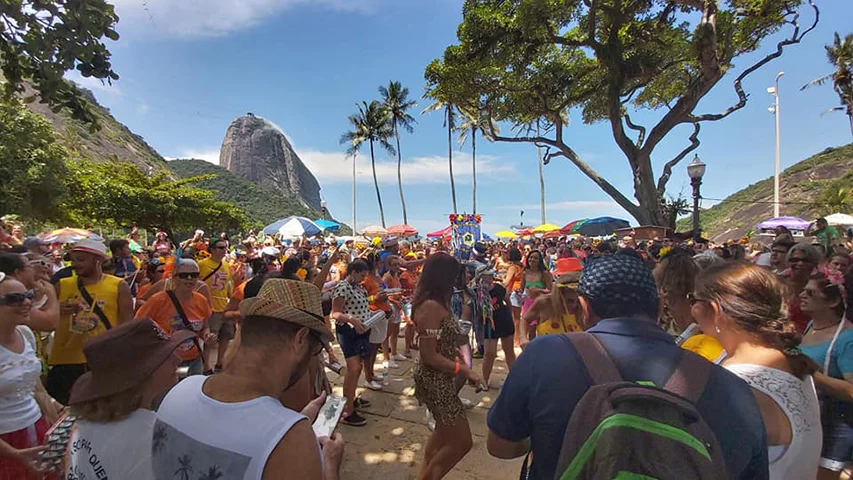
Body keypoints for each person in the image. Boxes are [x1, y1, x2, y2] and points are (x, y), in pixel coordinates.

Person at [486, 253, 769, 480]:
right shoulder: (733, 389)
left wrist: (545, 439)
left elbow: (501, 446)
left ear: (584, 309)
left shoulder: (544, 354)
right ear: (659, 308)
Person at [152, 278, 345, 480]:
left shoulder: (179, 392)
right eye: (315, 349)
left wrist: (294, 422)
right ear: (300, 339)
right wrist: (330, 467)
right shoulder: (291, 439)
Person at [692, 262, 822, 479]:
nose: (691, 308)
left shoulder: (733, 387)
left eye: (693, 300)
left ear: (715, 310)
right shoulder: (790, 362)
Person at [64, 319, 193, 478]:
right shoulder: (151, 439)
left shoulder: (86, 419)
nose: (178, 359)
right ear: (143, 373)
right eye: (164, 356)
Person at [412, 253, 481, 480]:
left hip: (439, 378)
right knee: (461, 442)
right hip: (435, 381)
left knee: (442, 433)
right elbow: (429, 355)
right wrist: (463, 369)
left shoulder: (436, 302)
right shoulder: (431, 307)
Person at [49, 239, 133, 404]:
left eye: (81, 260)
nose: (74, 264)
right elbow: (43, 316)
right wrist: (58, 310)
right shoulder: (62, 285)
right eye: (72, 260)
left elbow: (127, 324)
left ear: (97, 260)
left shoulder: (118, 285)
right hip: (67, 361)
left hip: (102, 359)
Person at [799, 271, 853, 480]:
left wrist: (812, 373)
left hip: (836, 424)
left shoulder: (847, 339)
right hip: (811, 418)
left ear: (832, 302)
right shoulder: (811, 326)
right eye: (804, 289)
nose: (802, 294)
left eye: (811, 293)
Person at [0, 273, 48, 478]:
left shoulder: (26, 333)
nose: (27, 302)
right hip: (7, 445)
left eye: (28, 295)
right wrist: (15, 454)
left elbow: (35, 388)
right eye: (15, 299)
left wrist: (55, 418)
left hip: (37, 428)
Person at [135, 259, 212, 376]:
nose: (189, 278)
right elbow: (138, 325)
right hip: (167, 361)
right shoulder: (158, 300)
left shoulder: (201, 300)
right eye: (184, 275)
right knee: (171, 392)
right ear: (174, 278)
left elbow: (204, 326)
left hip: (195, 360)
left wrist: (207, 335)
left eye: (194, 275)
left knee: (189, 392)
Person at [330, 259, 373, 427]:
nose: (363, 279)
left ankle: (352, 399)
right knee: (353, 368)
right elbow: (335, 313)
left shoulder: (359, 287)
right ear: (353, 272)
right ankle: (348, 410)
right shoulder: (342, 287)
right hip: (348, 331)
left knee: (357, 368)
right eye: (361, 275)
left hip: (360, 331)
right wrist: (350, 319)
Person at [476, 266, 517, 389]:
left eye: (490, 274)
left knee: (509, 351)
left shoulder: (499, 288)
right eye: (486, 275)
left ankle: (515, 378)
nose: (489, 277)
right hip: (488, 324)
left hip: (504, 321)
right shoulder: (476, 291)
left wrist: (511, 318)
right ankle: (485, 380)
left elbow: (508, 303)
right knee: (489, 353)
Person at [198, 238, 234, 374]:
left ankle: (220, 363)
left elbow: (229, 285)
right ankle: (207, 366)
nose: (224, 250)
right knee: (211, 338)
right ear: (212, 250)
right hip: (210, 307)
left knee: (226, 336)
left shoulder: (226, 265)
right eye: (220, 247)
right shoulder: (202, 264)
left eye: (225, 248)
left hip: (225, 307)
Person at [520, 269, 582, 343]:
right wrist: (523, 338)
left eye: (578, 301)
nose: (574, 305)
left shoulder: (583, 307)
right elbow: (525, 320)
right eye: (569, 301)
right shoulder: (544, 303)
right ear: (560, 295)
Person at [783, 243, 822, 334]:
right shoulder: (778, 283)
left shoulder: (819, 286)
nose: (800, 263)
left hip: (811, 335)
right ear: (788, 261)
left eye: (806, 260)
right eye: (795, 260)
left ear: (814, 263)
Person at [519, 250, 553, 341]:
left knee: (542, 328)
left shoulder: (544, 273)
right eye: (530, 257)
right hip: (528, 302)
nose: (532, 260)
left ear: (539, 260)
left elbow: (551, 290)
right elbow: (521, 289)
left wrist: (539, 290)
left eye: (535, 258)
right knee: (531, 330)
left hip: (542, 303)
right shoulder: (525, 273)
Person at [382, 255, 407, 365]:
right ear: (389, 266)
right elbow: (383, 294)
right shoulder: (387, 277)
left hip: (397, 305)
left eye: (398, 264)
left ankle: (394, 353)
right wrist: (394, 302)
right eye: (394, 265)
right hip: (390, 306)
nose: (397, 266)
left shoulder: (396, 275)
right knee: (387, 333)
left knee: (396, 330)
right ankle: (386, 358)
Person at [502, 248, 525, 346]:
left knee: (514, 318)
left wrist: (500, 278)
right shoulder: (522, 266)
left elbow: (506, 282)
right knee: (519, 318)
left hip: (514, 293)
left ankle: (516, 340)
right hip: (522, 291)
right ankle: (519, 338)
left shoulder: (513, 267)